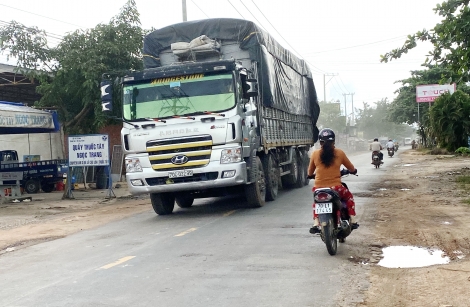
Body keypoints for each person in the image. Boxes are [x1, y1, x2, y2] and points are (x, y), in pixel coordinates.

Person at [307, 128, 358, 234]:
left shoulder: (315, 154)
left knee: (317, 202)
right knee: (349, 197)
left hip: (319, 188)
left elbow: (310, 172)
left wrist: (311, 175)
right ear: (333, 141)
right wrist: (353, 171)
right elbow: (351, 167)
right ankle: (352, 220)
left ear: (320, 142)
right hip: (336, 188)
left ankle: (316, 223)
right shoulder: (340, 153)